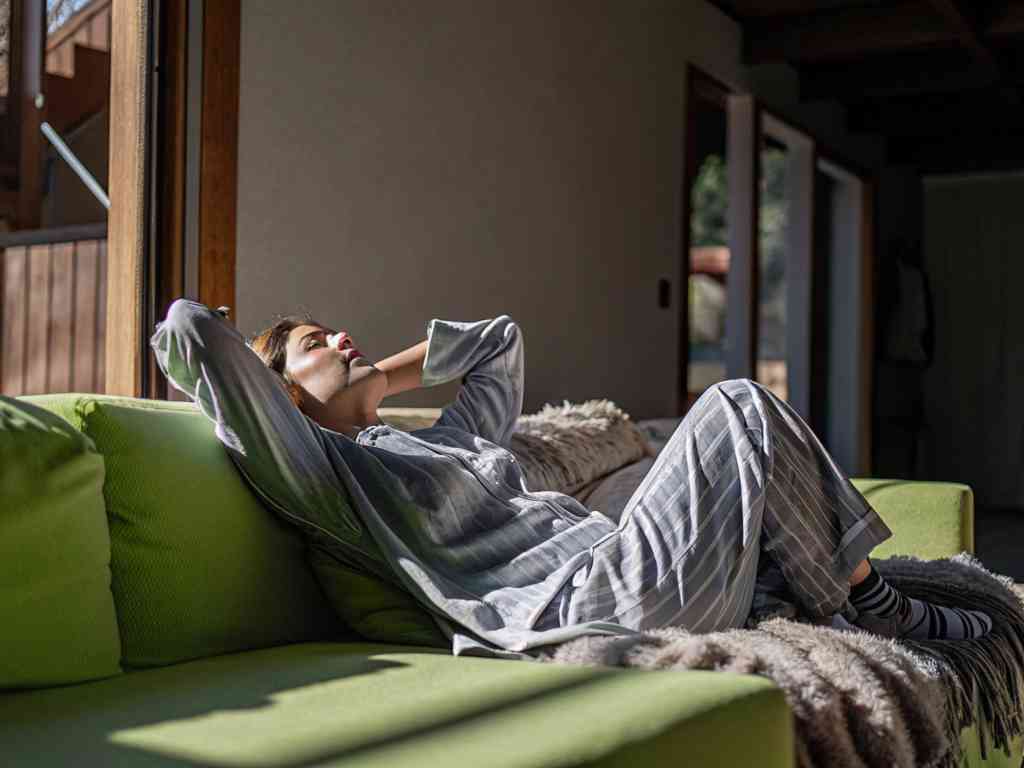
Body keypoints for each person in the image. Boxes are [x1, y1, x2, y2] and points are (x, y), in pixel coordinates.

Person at [151, 299, 992, 660]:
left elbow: (498, 342)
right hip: (589, 604)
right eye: (313, 345)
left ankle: (849, 596)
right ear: (280, 394)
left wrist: (378, 383)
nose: (341, 337)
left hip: (631, 563)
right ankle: (875, 607)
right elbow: (189, 331)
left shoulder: (448, 444)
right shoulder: (327, 474)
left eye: (335, 331)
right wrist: (310, 395)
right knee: (737, 404)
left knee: (757, 461)